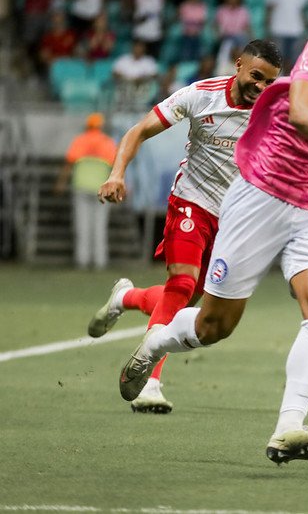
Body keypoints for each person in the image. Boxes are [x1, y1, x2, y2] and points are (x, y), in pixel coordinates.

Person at [115, 0, 308, 464]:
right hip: (261, 195)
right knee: (215, 325)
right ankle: (157, 342)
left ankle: (288, 427)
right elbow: (303, 110)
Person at [91, 40, 282, 413]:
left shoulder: (273, 111)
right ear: (238, 65)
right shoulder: (200, 95)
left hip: (232, 221)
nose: (260, 87)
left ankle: (124, 298)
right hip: (190, 202)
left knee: (186, 305)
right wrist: (117, 174)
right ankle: (150, 384)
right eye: (256, 76)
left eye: (269, 82)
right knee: (180, 286)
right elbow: (138, 131)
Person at [54, 113, 116, 271]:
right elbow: (115, 168)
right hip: (102, 190)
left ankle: (82, 261)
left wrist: (60, 183)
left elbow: (68, 165)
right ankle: (100, 262)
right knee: (99, 227)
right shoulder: (107, 142)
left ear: (87, 126)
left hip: (81, 187)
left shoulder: (79, 140)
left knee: (82, 226)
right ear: (101, 126)